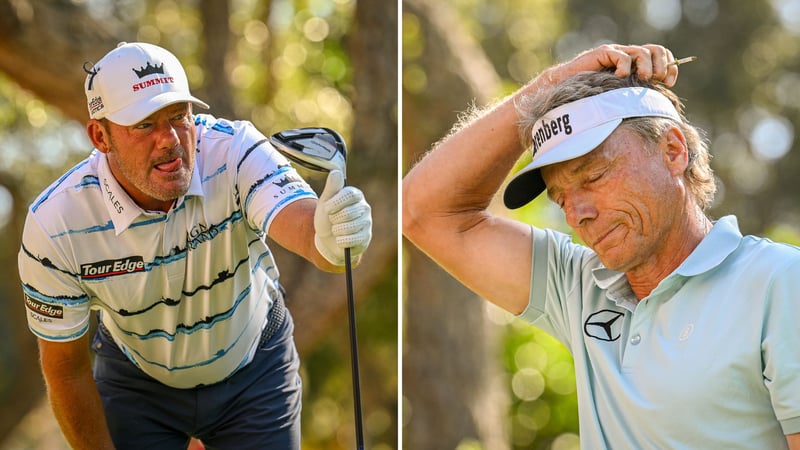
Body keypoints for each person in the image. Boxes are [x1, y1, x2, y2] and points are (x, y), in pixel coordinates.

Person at [403, 43, 800, 449]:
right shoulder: (580, 286)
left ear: (673, 151)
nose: (577, 214)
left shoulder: (779, 282)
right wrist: (550, 83)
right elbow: (422, 211)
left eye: (594, 175)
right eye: (560, 197)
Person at [18, 42, 372, 449]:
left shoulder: (234, 150)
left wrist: (331, 236)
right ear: (101, 136)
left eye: (178, 116)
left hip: (254, 367)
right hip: (139, 383)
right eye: (144, 125)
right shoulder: (55, 223)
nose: (168, 139)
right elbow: (65, 369)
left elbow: (310, 233)